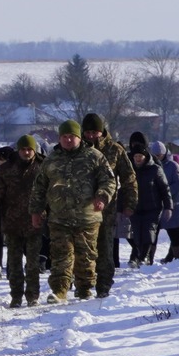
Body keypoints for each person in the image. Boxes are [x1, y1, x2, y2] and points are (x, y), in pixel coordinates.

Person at [30, 119, 114, 305]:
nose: (68, 140)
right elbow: (39, 187)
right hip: (59, 218)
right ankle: (60, 290)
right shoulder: (51, 159)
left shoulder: (94, 156)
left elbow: (108, 180)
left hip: (87, 218)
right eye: (64, 137)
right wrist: (36, 211)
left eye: (72, 136)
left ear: (79, 137)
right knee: (60, 256)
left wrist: (102, 196)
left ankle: (84, 289)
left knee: (86, 257)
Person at [79, 113, 135, 297]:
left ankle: (103, 286)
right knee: (83, 249)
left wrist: (130, 203)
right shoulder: (78, 149)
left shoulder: (114, 150)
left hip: (106, 209)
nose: (90, 136)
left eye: (94, 132)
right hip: (80, 209)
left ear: (101, 131)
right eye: (87, 132)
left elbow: (129, 178)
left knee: (104, 248)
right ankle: (84, 285)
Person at [0, 134, 43, 307]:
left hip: (35, 222)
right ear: (18, 150)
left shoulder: (43, 167)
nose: (26, 152)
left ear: (34, 150)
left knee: (33, 263)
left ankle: (32, 295)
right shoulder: (6, 169)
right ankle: (16, 296)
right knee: (14, 262)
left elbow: (52, 194)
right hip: (12, 222)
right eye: (23, 149)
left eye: (29, 149)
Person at [127, 137, 172, 266]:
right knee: (136, 234)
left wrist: (168, 207)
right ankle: (139, 254)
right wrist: (121, 208)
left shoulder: (155, 169)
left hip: (152, 207)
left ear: (145, 156)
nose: (138, 159)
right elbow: (123, 190)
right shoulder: (129, 171)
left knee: (149, 232)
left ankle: (144, 257)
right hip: (135, 207)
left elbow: (165, 189)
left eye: (140, 156)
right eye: (136, 156)